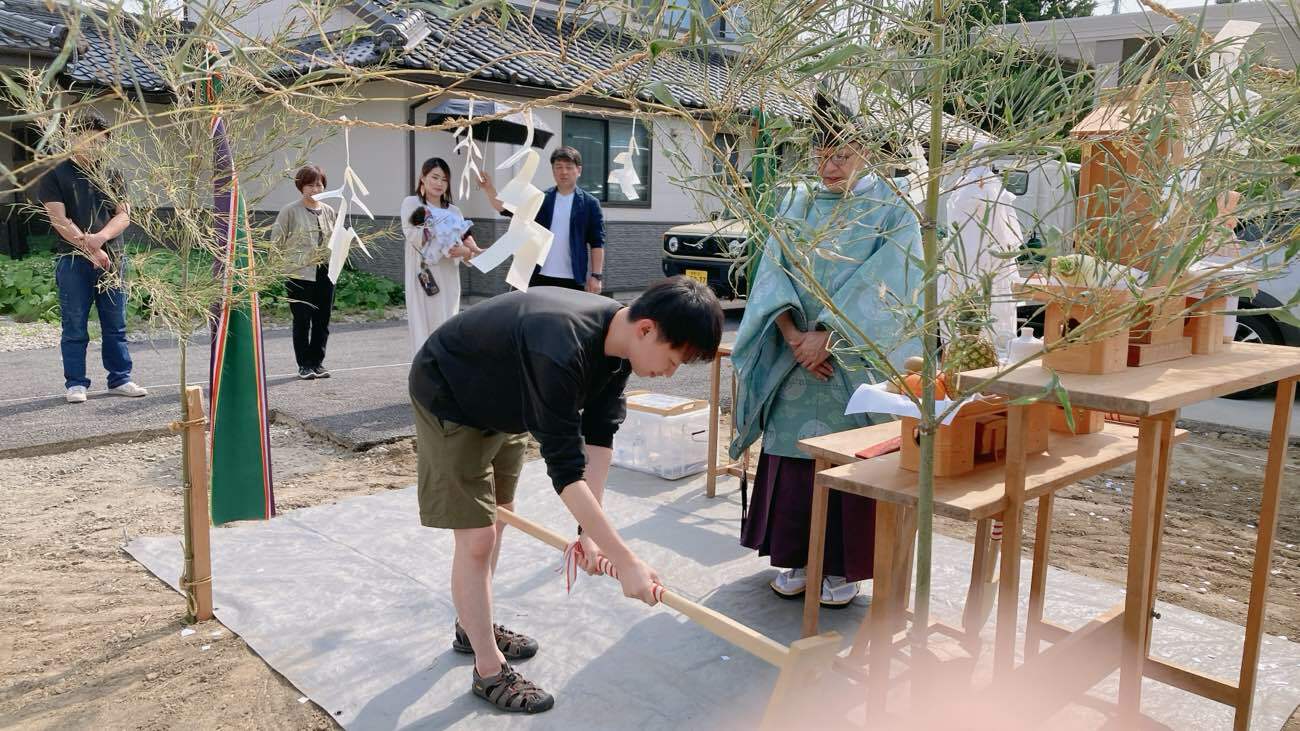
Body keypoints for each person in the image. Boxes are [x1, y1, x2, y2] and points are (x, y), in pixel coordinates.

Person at [408, 276, 722, 713]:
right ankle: (487, 669)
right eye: (673, 360)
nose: (670, 374)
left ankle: (470, 625)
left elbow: (597, 441)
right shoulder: (561, 346)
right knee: (477, 537)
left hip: (508, 402)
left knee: (500, 516)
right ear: (647, 328)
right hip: (451, 395)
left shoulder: (616, 351)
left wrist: (588, 534)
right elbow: (566, 473)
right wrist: (628, 562)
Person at [729, 87, 922, 607]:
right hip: (796, 359)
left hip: (853, 360)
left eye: (841, 155)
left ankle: (844, 567)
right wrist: (793, 337)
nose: (830, 167)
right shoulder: (795, 200)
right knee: (793, 456)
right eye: (821, 155)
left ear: (866, 152)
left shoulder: (892, 206)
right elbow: (772, 273)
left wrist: (830, 337)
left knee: (852, 456)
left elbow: (895, 280)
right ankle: (793, 556)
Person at [37, 109, 147, 404]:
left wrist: (100, 239)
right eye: (88, 140)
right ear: (71, 138)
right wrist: (91, 248)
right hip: (73, 261)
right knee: (74, 324)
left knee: (116, 324)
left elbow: (124, 216)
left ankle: (120, 378)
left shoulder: (112, 173)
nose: (95, 147)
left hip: (113, 259)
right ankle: (76, 383)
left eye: (101, 141)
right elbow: (59, 220)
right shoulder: (55, 173)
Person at [477, 146, 607, 293]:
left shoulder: (590, 204)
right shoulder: (540, 198)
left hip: (573, 277)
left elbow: (597, 242)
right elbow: (504, 208)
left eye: (569, 167)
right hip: (538, 275)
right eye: (558, 167)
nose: (563, 172)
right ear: (553, 171)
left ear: (579, 170)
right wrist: (488, 188)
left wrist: (596, 276)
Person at [401, 157, 481, 357]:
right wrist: (433, 225)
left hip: (448, 278)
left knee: (446, 324)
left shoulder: (455, 211)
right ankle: (423, 376)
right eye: (434, 177)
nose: (439, 183)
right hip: (423, 276)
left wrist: (465, 251)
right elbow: (412, 235)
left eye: (444, 179)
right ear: (423, 178)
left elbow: (467, 249)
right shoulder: (412, 203)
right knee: (423, 325)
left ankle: (445, 375)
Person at [272, 164, 338, 380]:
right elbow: (276, 241)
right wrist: (277, 268)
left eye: (319, 184)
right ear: (301, 186)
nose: (315, 188)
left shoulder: (329, 211)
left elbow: (336, 240)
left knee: (322, 319)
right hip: (299, 273)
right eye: (310, 184)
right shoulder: (290, 210)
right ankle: (304, 365)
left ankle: (318, 363)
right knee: (301, 320)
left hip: (325, 272)